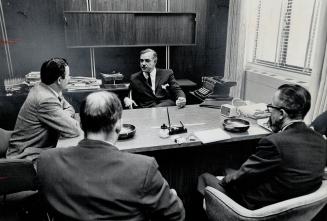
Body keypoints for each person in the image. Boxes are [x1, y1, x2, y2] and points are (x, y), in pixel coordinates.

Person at [37, 91, 185, 221]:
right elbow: (176, 216)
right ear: (119, 126)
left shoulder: (46, 160)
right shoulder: (143, 168)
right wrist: (172, 195)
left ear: (81, 124)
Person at [198, 84, 327, 210]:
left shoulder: (273, 142)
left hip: (255, 208)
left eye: (271, 108)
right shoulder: (321, 140)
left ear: (281, 113)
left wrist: (223, 181)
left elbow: (241, 178)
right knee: (227, 169)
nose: (269, 112)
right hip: (293, 208)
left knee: (205, 177)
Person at [6, 58, 80, 162]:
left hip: (36, 149)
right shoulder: (46, 99)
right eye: (68, 76)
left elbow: (69, 108)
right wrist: (64, 118)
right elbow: (74, 130)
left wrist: (62, 115)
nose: (70, 78)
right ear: (59, 80)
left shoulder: (43, 87)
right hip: (26, 158)